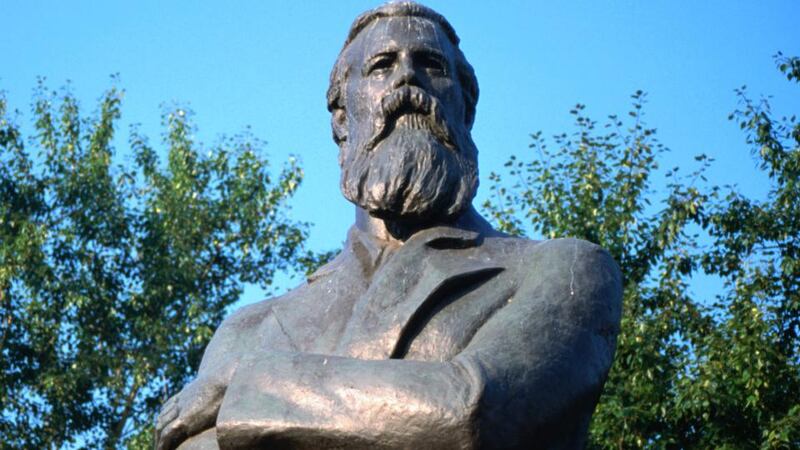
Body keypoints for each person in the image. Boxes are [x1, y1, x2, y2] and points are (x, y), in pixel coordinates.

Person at [155, 2, 622, 449]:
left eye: (432, 65)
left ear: (466, 108)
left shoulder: (563, 270)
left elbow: (474, 410)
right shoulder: (249, 331)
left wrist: (246, 386)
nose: (407, 78)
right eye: (381, 66)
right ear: (342, 118)